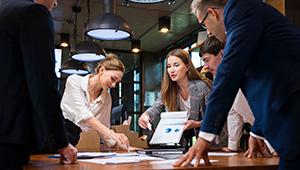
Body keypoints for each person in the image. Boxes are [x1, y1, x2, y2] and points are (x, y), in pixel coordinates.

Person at [174, 0, 300, 169]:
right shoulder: (248, 20)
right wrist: (257, 132)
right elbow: (264, 83)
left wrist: (204, 137)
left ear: (212, 13)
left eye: (204, 25)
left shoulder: (239, 9)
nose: (209, 32)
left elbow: (229, 70)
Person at [0, 0, 77, 169]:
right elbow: (42, 81)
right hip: (10, 136)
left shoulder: (5, 9)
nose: (56, 3)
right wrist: (61, 142)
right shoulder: (33, 12)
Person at [200, 36, 277, 156]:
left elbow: (265, 107)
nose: (204, 66)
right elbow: (233, 112)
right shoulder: (220, 78)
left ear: (221, 54)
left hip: (280, 127)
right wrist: (233, 147)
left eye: (206, 60)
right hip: (265, 133)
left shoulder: (245, 70)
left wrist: (255, 134)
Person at [138, 49, 213, 150]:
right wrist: (146, 115)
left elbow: (215, 117)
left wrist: (196, 124)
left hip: (213, 140)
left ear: (187, 67)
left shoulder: (202, 87)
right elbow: (157, 106)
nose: (171, 70)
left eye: (176, 65)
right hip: (190, 142)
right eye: (169, 66)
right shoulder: (169, 89)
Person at [61, 54, 130, 151]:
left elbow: (104, 127)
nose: (114, 85)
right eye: (113, 79)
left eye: (117, 82)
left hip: (73, 136)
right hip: (57, 128)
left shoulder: (107, 97)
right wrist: (112, 134)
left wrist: (121, 145)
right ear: (102, 70)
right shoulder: (74, 81)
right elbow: (84, 114)